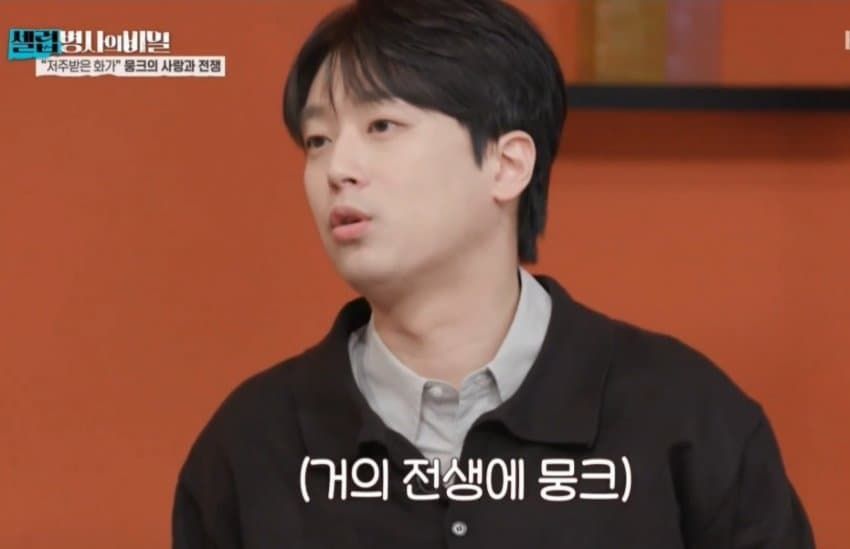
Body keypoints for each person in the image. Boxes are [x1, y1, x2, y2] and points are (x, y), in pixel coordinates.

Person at [171, 1, 815, 547]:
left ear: (507, 165)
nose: (338, 168)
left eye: (382, 125)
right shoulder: (250, 445)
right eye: (318, 140)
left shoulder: (686, 418)